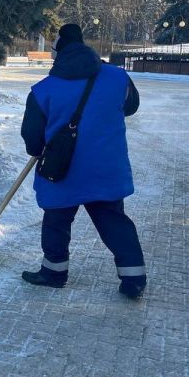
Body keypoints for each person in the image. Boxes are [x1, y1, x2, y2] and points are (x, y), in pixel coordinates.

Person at [19, 23, 147, 298]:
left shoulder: (44, 90)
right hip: (106, 167)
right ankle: (134, 278)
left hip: (62, 170)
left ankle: (54, 273)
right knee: (114, 220)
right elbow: (131, 107)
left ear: (59, 52)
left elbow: (32, 137)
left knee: (56, 220)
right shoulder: (117, 78)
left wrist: (38, 148)